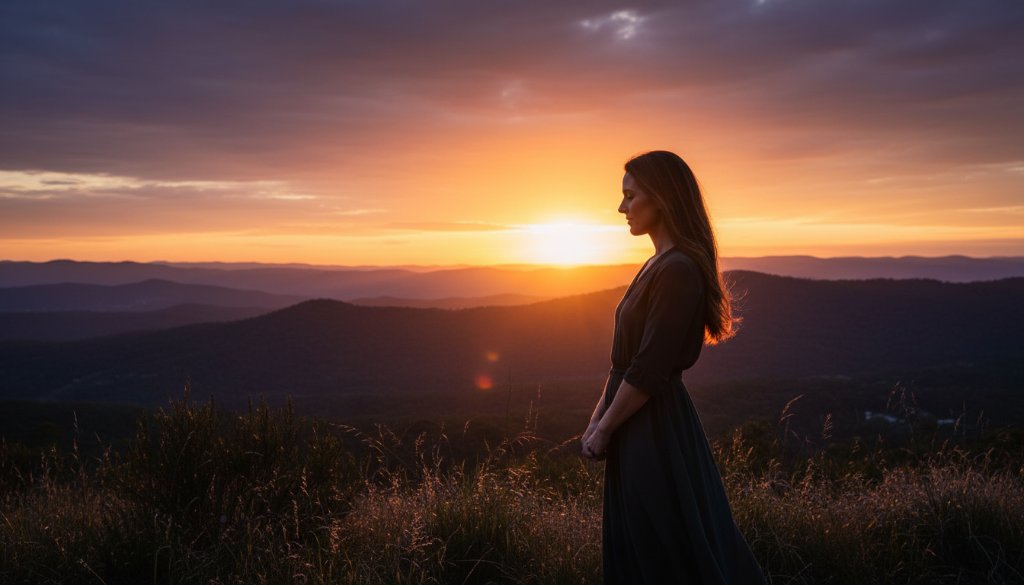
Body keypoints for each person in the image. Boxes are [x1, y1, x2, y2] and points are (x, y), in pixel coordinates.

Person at [581, 150, 767, 584]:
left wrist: (606, 427)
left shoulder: (677, 269)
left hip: (655, 430)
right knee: (644, 544)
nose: (622, 208)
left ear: (660, 199)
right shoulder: (657, 264)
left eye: (630, 196)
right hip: (636, 423)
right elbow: (623, 364)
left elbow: (649, 369)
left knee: (662, 548)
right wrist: (597, 422)